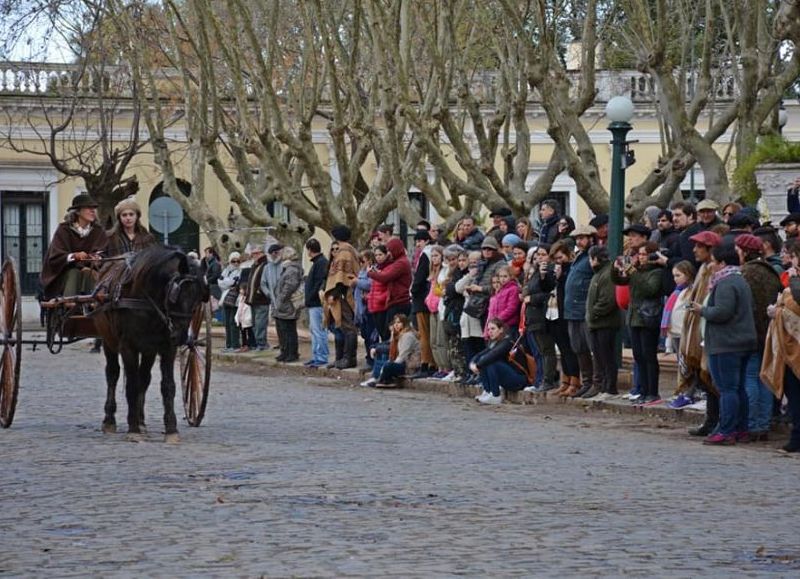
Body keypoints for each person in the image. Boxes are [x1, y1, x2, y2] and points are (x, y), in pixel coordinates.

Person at [687, 242, 757, 445]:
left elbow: (722, 312)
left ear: (723, 263)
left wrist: (702, 310)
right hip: (742, 341)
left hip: (727, 342)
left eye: (714, 262)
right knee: (738, 388)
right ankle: (741, 428)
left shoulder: (726, 282)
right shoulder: (740, 280)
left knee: (727, 388)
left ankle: (726, 430)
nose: (711, 266)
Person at [735, 234, 782, 440]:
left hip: (750, 333)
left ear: (744, 251)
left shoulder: (745, 273)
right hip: (768, 332)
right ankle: (762, 423)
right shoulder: (770, 271)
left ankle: (753, 424)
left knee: (751, 378)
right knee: (764, 379)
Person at [612, 241, 665, 405]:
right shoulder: (638, 271)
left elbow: (650, 290)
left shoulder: (656, 272)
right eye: (639, 254)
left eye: (644, 254)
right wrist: (616, 269)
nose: (641, 258)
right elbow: (621, 281)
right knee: (639, 356)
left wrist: (633, 272)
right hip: (634, 318)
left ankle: (652, 391)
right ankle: (642, 390)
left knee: (649, 356)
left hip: (648, 318)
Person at [681, 230, 722, 436]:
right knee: (703, 378)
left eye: (699, 246)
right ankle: (711, 419)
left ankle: (718, 421)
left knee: (712, 377)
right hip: (696, 327)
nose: (695, 250)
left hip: (708, 329)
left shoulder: (714, 270)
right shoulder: (702, 268)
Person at [761, 240, 800, 452]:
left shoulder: (795, 280)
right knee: (793, 394)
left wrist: (779, 312)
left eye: (792, 255)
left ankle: (797, 438)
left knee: (796, 394)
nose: (790, 260)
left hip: (796, 345)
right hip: (788, 346)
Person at [40, 194, 106, 299]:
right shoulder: (64, 229)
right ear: (78, 211)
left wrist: (97, 258)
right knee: (74, 273)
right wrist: (74, 256)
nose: (93, 211)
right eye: (89, 208)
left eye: (94, 208)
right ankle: (69, 305)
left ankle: (93, 305)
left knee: (89, 273)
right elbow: (56, 256)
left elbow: (103, 251)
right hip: (63, 274)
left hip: (91, 271)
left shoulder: (98, 231)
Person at [563, 225, 597, 397]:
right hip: (572, 310)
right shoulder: (579, 257)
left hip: (584, 308)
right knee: (578, 347)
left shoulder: (593, 255)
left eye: (583, 238)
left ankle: (596, 383)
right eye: (577, 238)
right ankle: (587, 381)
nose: (579, 241)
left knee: (591, 347)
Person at [585, 246, 621, 398]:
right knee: (600, 357)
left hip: (605, 323)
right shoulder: (598, 274)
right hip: (596, 323)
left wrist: (592, 314)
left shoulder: (607, 274)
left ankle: (610, 388)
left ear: (595, 258)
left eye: (590, 258)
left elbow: (607, 300)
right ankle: (604, 386)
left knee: (607, 357)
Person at [522, 242, 557, 392]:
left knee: (546, 350)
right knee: (540, 350)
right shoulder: (535, 272)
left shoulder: (550, 271)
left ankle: (548, 379)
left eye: (543, 254)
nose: (540, 258)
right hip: (533, 317)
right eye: (538, 255)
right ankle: (541, 379)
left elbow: (549, 291)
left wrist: (532, 299)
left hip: (543, 316)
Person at [324, 225, 360, 369]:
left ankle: (349, 358)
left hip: (343, 295)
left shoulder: (344, 252)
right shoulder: (346, 250)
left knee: (347, 327)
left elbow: (341, 277)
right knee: (339, 327)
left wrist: (334, 293)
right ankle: (339, 358)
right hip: (340, 293)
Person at [548, 241, 581, 396]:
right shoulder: (554, 270)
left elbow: (566, 289)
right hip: (552, 312)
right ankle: (565, 379)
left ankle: (575, 380)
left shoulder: (570, 270)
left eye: (560, 257)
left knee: (569, 349)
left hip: (565, 312)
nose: (558, 261)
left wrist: (560, 277)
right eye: (555, 258)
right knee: (562, 348)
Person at [471, 318, 529, 405]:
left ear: (501, 329)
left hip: (519, 380)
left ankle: (495, 395)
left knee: (490, 362)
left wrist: (478, 366)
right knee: (484, 359)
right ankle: (488, 391)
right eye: (488, 329)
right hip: (508, 378)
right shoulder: (494, 343)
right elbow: (480, 355)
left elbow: (493, 355)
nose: (490, 331)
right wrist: (473, 363)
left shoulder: (507, 342)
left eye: (493, 329)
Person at [663, 261, 696, 409]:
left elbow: (688, 309)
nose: (675, 278)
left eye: (678, 275)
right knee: (681, 365)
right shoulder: (677, 292)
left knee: (688, 366)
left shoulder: (692, 291)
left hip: (685, 333)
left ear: (688, 275)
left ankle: (690, 392)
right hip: (675, 333)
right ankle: (683, 391)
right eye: (674, 276)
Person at [367, 238, 412, 340]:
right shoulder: (398, 262)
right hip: (393, 301)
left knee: (391, 334)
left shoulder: (401, 263)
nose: (389, 254)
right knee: (387, 333)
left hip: (399, 301)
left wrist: (370, 273)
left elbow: (385, 277)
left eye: (390, 251)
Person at [360, 314, 421, 388]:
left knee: (387, 366)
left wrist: (389, 363)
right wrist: (375, 348)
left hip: (409, 365)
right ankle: (376, 379)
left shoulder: (407, 336)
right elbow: (388, 343)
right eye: (395, 323)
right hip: (402, 362)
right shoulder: (398, 335)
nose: (396, 325)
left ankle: (382, 379)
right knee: (380, 361)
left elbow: (402, 357)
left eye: (399, 323)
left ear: (404, 324)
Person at [273, 246, 304, 363]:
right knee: (282, 329)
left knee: (289, 330)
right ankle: (284, 351)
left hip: (287, 304)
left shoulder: (292, 269)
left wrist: (280, 299)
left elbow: (289, 286)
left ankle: (291, 353)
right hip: (283, 304)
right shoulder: (287, 268)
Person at [303, 238, 330, 368]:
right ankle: (316, 355)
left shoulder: (320, 263)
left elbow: (319, 283)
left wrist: (311, 296)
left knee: (319, 330)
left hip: (317, 303)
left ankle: (321, 356)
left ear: (309, 250)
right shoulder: (319, 262)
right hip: (313, 302)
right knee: (315, 331)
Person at [245, 244, 271, 351]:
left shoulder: (265, 265)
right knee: (255, 323)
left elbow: (266, 281)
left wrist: (261, 291)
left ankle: (262, 344)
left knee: (260, 323)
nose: (254, 256)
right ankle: (259, 343)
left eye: (256, 253)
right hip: (253, 299)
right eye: (253, 254)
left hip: (261, 299)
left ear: (261, 253)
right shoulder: (254, 265)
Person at [354, 249, 377, 368]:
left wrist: (356, 282)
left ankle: (372, 360)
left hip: (370, 306)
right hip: (361, 308)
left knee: (371, 335)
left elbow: (370, 284)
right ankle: (369, 357)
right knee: (365, 334)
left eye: (362, 261)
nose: (361, 263)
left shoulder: (372, 270)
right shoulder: (361, 272)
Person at [485, 265, 520, 339]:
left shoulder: (513, 289)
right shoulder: (500, 291)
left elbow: (511, 308)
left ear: (510, 276)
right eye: (500, 277)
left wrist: (497, 321)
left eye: (505, 276)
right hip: (497, 326)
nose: (502, 279)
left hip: (508, 325)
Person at [260, 244, 284, 349]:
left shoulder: (284, 265)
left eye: (276, 252)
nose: (274, 255)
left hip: (284, 298)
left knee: (285, 322)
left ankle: (286, 343)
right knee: (278, 322)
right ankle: (281, 342)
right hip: (273, 299)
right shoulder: (267, 267)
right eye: (272, 253)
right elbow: (263, 283)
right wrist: (268, 294)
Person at [218, 252, 242, 352]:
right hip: (225, 298)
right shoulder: (226, 270)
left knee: (233, 322)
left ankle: (235, 344)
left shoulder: (240, 271)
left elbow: (233, 282)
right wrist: (228, 282)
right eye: (233, 261)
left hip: (235, 299)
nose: (236, 263)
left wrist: (227, 282)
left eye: (238, 261)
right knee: (227, 322)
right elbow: (220, 282)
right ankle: (228, 344)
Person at [234, 285, 254, 352]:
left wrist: (248, 319)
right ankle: (244, 345)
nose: (240, 291)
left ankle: (249, 345)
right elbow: (239, 309)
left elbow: (248, 310)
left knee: (249, 332)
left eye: (241, 289)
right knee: (243, 333)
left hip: (246, 319)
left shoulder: (248, 299)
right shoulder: (240, 298)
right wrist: (237, 317)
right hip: (241, 320)